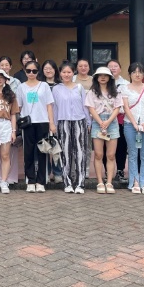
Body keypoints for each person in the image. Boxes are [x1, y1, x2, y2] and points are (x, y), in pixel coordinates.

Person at [16, 61, 56, 193]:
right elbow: (19, 107)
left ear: (38, 72)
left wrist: (51, 122)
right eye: (28, 70)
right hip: (28, 123)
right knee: (28, 152)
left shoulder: (44, 86)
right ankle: (30, 180)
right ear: (25, 71)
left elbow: (49, 105)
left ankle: (41, 181)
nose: (31, 73)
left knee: (42, 152)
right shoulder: (21, 87)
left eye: (34, 71)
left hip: (43, 122)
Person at [52, 62, 90, 194]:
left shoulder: (79, 87)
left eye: (69, 72)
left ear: (73, 73)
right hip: (63, 122)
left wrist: (88, 122)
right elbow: (54, 108)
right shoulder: (56, 89)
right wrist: (54, 124)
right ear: (60, 73)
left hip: (79, 122)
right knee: (65, 153)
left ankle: (80, 184)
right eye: (64, 72)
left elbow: (85, 106)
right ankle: (67, 182)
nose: (66, 74)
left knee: (80, 153)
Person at [121, 62, 144, 195]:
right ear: (129, 74)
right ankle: (135, 181)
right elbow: (125, 108)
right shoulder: (124, 89)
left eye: (140, 72)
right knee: (132, 154)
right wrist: (134, 124)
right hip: (130, 125)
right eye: (134, 72)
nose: (137, 74)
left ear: (143, 74)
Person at [85, 66, 122, 194]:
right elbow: (91, 108)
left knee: (111, 155)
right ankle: (100, 182)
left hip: (112, 122)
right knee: (98, 154)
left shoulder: (116, 91)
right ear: (96, 77)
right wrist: (101, 122)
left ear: (110, 78)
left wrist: (108, 121)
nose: (102, 77)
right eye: (100, 75)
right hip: (97, 122)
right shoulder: (92, 92)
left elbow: (117, 108)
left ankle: (109, 182)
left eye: (105, 75)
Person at [0, 56, 20, 184]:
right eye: (2, 65)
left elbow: (19, 100)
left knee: (12, 147)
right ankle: (0, 176)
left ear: (10, 67)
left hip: (12, 117)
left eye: (7, 65)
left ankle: (12, 177)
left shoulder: (16, 82)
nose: (4, 67)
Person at [107, 59, 129, 185]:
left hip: (121, 118)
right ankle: (107, 171)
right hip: (104, 119)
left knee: (121, 145)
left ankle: (120, 170)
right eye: (110, 66)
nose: (113, 68)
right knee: (105, 146)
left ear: (120, 69)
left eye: (115, 66)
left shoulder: (126, 84)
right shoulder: (101, 82)